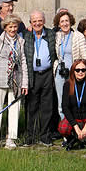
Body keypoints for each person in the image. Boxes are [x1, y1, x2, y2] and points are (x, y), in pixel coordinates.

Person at [0, 15, 28, 149]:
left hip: (15, 80)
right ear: (5, 27)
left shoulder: (21, 41)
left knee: (14, 109)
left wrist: (24, 83)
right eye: (10, 27)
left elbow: (23, 63)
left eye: (15, 27)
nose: (13, 29)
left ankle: (11, 139)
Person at [23, 10, 57, 146]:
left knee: (47, 106)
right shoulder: (26, 35)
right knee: (31, 107)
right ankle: (30, 135)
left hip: (47, 74)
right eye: (34, 21)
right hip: (33, 75)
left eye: (40, 20)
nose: (37, 23)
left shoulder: (51, 34)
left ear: (44, 21)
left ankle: (45, 135)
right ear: (30, 23)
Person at [58, 58, 86, 151]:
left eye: (83, 70)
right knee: (63, 128)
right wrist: (75, 126)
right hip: (74, 118)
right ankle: (73, 139)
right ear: (73, 71)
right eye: (77, 70)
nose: (80, 72)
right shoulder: (67, 85)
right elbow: (65, 107)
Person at [53, 10, 86, 122]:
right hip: (60, 73)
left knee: (73, 100)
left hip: (75, 73)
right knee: (61, 102)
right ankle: (65, 127)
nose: (65, 24)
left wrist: (82, 71)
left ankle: (76, 126)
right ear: (58, 24)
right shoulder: (56, 36)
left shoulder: (78, 36)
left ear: (71, 22)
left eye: (67, 21)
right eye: (62, 21)